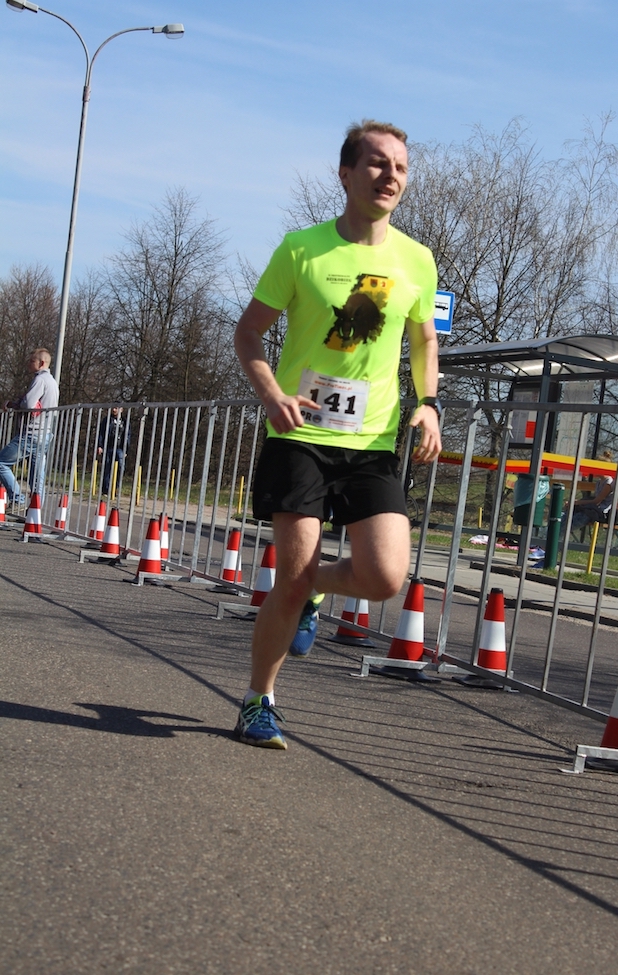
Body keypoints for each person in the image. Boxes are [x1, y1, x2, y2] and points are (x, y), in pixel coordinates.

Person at [233, 120, 442, 749]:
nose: (390, 175)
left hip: (371, 443)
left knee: (384, 578)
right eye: (377, 163)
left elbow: (424, 340)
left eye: (400, 166)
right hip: (300, 434)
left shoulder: (416, 259)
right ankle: (258, 701)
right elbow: (248, 334)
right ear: (346, 173)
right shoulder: (303, 250)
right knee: (290, 578)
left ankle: (314, 591)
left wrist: (429, 403)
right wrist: (271, 394)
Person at [0, 348, 59, 506]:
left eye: (32, 361)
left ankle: (17, 498)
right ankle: (35, 509)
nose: (29, 364)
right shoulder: (52, 382)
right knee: (37, 475)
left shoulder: (39, 380)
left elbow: (28, 404)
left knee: (1, 463)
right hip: (45, 433)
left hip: (32, 433)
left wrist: (13, 404)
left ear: (41, 363)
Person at [562, 450, 616, 536]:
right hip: (591, 509)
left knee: (574, 520)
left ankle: (557, 538)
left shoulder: (609, 483)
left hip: (599, 513)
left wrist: (577, 502)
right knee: (565, 516)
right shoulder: (599, 482)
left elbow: (596, 501)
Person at [97, 406, 130, 497]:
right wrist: (100, 445)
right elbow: (101, 433)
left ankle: (115, 488)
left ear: (121, 409)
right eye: (113, 408)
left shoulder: (125, 421)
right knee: (107, 468)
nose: (114, 410)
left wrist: (126, 449)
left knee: (120, 467)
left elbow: (127, 435)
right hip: (108, 447)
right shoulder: (107, 420)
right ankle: (106, 490)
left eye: (116, 408)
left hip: (120, 448)